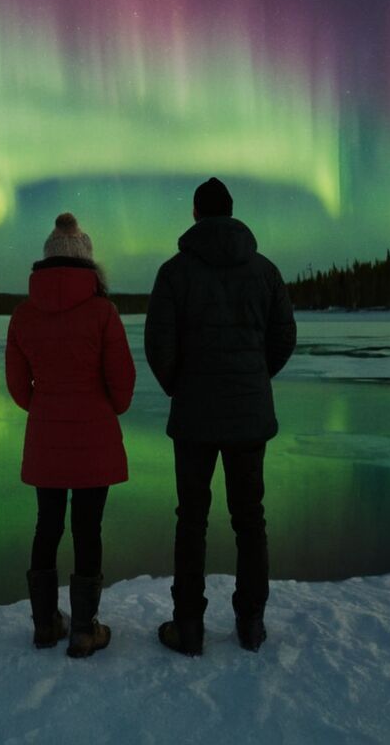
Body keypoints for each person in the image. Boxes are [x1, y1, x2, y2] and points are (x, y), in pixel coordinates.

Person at [144, 177, 296, 656]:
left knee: (192, 518)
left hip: (194, 418)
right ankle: (251, 622)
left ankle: (189, 626)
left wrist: (181, 387)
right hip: (248, 418)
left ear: (195, 214)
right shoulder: (266, 272)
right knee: (250, 519)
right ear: (231, 213)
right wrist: (255, 377)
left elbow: (158, 345)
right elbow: (284, 336)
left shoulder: (174, 273)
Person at [5, 212, 136, 659]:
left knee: (47, 525)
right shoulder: (104, 312)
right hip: (94, 440)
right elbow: (122, 388)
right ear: (88, 261)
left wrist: (46, 410)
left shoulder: (23, 315)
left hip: (46, 440)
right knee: (87, 528)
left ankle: (45, 625)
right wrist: (99, 407)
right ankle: (83, 629)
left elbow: (19, 389)